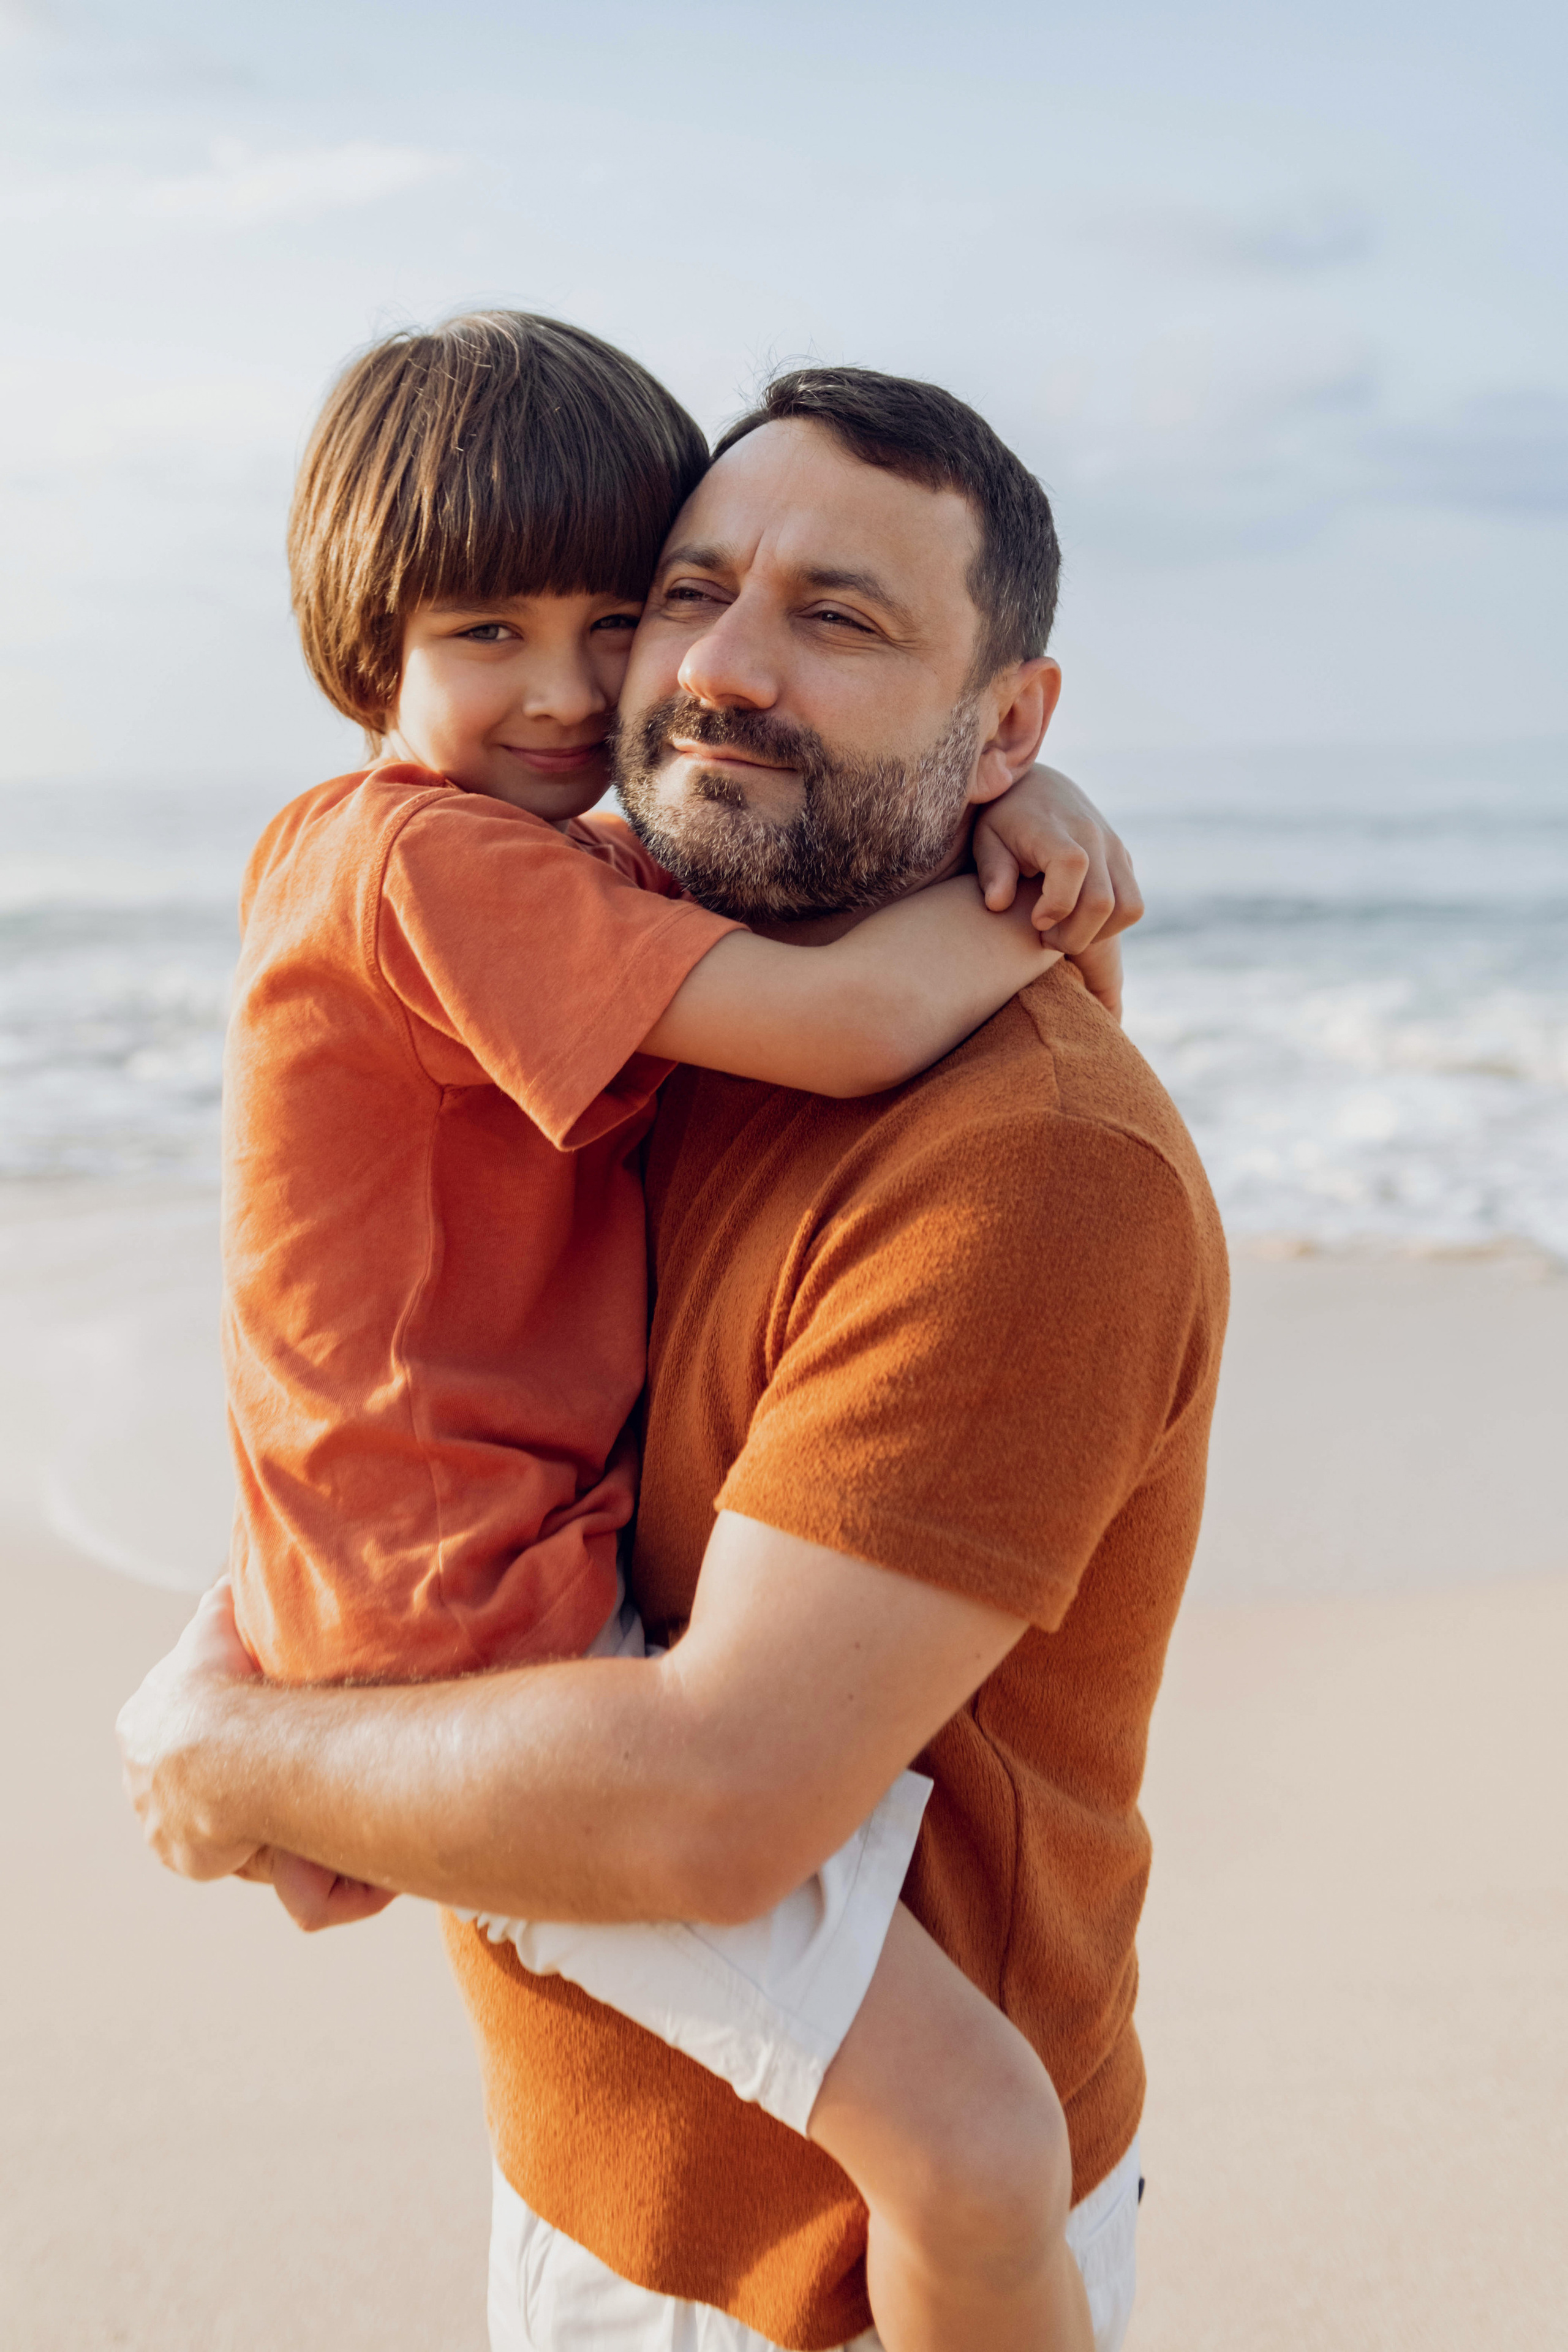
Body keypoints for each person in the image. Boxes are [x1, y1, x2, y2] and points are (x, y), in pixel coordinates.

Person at [120, 360, 1224, 2352]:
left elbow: (713, 1802)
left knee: (969, 2143)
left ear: (1005, 715)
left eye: (841, 618)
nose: (698, 672)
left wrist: (248, 1756)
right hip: (595, 2187)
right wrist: (1032, 855)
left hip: (837, 2285)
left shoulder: (1025, 1164)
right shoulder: (640, 942)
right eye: (692, 591)